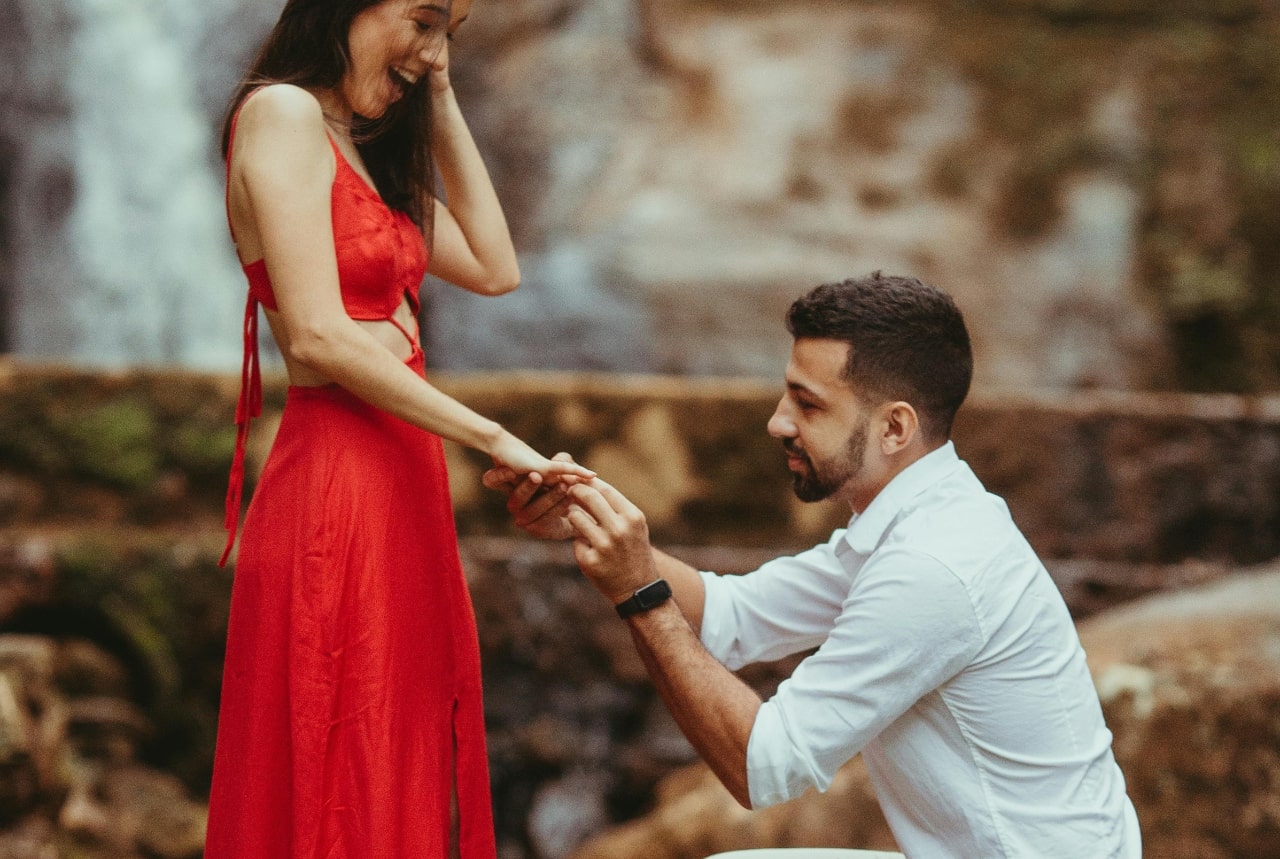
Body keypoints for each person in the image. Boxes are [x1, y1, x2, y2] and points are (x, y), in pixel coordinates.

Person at [485, 273, 1142, 858]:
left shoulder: (932, 566)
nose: (777, 422)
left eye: (809, 403)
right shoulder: (913, 520)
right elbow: (732, 615)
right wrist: (588, 518)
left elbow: (762, 767)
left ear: (894, 429)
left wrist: (639, 593)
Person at [205, 1, 593, 856]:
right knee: (335, 762)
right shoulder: (282, 112)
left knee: (394, 752)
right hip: (335, 482)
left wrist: (440, 91)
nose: (431, 48)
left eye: (449, 31)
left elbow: (497, 265)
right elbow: (316, 333)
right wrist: (493, 436)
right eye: (422, 20)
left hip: (402, 487)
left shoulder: (369, 153)